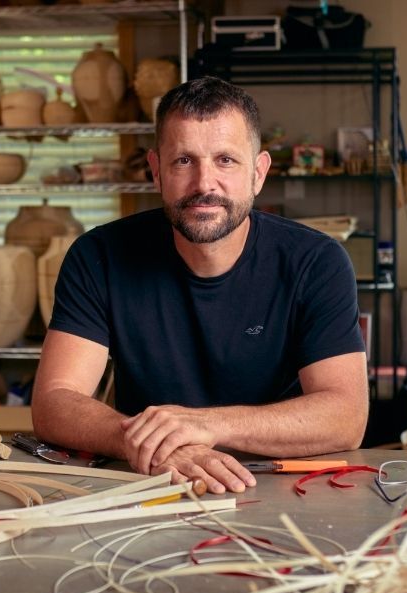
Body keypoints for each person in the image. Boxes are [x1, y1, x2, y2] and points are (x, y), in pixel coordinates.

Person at [33, 77, 370, 496]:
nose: (204, 184)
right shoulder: (97, 255)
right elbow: (54, 402)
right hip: (157, 479)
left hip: (283, 485)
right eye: (183, 161)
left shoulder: (317, 262)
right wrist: (150, 443)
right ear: (156, 171)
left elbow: (346, 417)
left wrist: (206, 425)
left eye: (226, 160)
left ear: (259, 173)